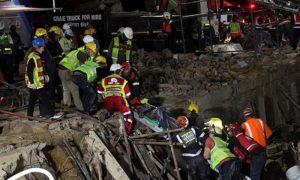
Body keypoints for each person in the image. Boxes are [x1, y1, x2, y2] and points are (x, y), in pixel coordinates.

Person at [97, 64, 134, 134]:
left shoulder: (104, 80)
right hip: (119, 100)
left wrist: (104, 97)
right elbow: (128, 95)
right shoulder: (123, 80)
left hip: (108, 99)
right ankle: (127, 131)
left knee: (106, 111)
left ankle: (102, 127)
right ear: (119, 71)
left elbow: (99, 91)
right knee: (128, 114)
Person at [25, 38, 54, 119]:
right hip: (35, 84)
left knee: (33, 100)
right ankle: (52, 114)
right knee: (45, 99)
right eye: (42, 47)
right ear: (37, 48)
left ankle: (29, 117)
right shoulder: (33, 57)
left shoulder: (37, 56)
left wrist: (45, 75)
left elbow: (38, 69)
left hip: (37, 83)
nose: (43, 49)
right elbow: (29, 72)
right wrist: (32, 83)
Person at [174, 116, 210, 180]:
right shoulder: (194, 129)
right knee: (205, 175)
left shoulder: (176, 136)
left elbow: (174, 144)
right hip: (200, 156)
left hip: (190, 160)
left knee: (194, 176)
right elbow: (204, 138)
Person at [71, 42, 99, 114]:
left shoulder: (94, 59)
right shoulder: (88, 57)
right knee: (91, 93)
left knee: (87, 92)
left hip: (77, 76)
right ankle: (87, 111)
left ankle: (87, 109)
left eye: (87, 49)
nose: (86, 51)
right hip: (79, 76)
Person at [58, 45, 86, 112]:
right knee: (75, 90)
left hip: (60, 70)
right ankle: (80, 108)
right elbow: (84, 65)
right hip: (67, 71)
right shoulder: (82, 54)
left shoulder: (75, 51)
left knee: (66, 89)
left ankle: (66, 106)